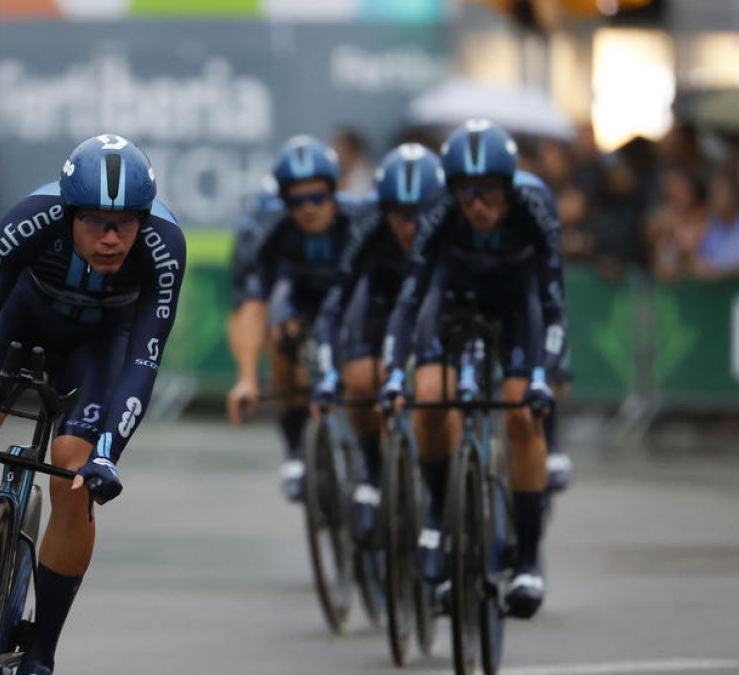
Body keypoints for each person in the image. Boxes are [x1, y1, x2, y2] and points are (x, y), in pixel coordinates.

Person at [0, 134, 183, 675]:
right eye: (95, 222)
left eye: (125, 223)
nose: (112, 238)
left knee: (74, 477)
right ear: (69, 213)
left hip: (100, 345)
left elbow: (144, 360)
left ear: (143, 219)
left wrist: (108, 453)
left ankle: (41, 651)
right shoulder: (30, 220)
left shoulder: (164, 246)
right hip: (22, 322)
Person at [378, 119, 566, 619]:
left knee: (523, 415)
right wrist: (394, 373)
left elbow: (553, 304)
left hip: (516, 305)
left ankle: (527, 561)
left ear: (508, 187)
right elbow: (410, 300)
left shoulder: (535, 207)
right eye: (466, 193)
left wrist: (544, 374)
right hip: (451, 301)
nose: (477, 205)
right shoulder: (438, 211)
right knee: (429, 397)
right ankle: (440, 513)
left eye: (488, 193)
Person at [312, 143, 445, 539]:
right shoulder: (367, 224)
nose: (410, 226)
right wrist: (328, 372)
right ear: (384, 209)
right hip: (383, 304)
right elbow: (334, 305)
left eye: (420, 214)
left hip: (439, 305)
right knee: (359, 379)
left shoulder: (452, 223)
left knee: (441, 394)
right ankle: (371, 469)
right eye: (400, 215)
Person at [225, 135, 357, 500]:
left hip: (350, 303)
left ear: (334, 192)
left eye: (318, 197)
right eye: (297, 201)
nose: (309, 208)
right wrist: (247, 378)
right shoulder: (265, 229)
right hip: (298, 300)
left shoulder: (360, 219)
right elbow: (249, 305)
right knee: (281, 337)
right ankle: (296, 447)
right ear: (284, 202)